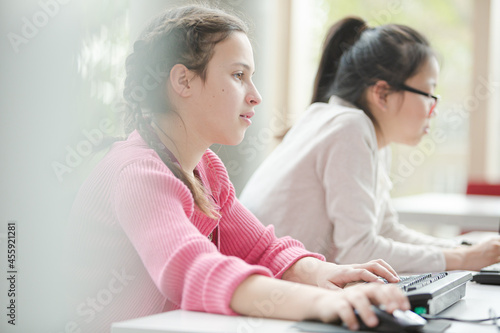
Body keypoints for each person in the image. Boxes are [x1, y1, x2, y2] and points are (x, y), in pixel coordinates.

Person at [67, 6, 409, 333]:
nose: (256, 95)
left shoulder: (207, 170)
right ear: (183, 81)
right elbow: (196, 270)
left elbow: (264, 250)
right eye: (238, 75)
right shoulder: (138, 173)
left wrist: (330, 274)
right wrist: (323, 303)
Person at [240, 17, 500, 274]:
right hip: (263, 286)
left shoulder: (357, 128)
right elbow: (358, 251)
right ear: (382, 94)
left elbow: (386, 230)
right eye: (429, 94)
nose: (434, 109)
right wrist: (462, 258)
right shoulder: (349, 128)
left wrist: (463, 250)